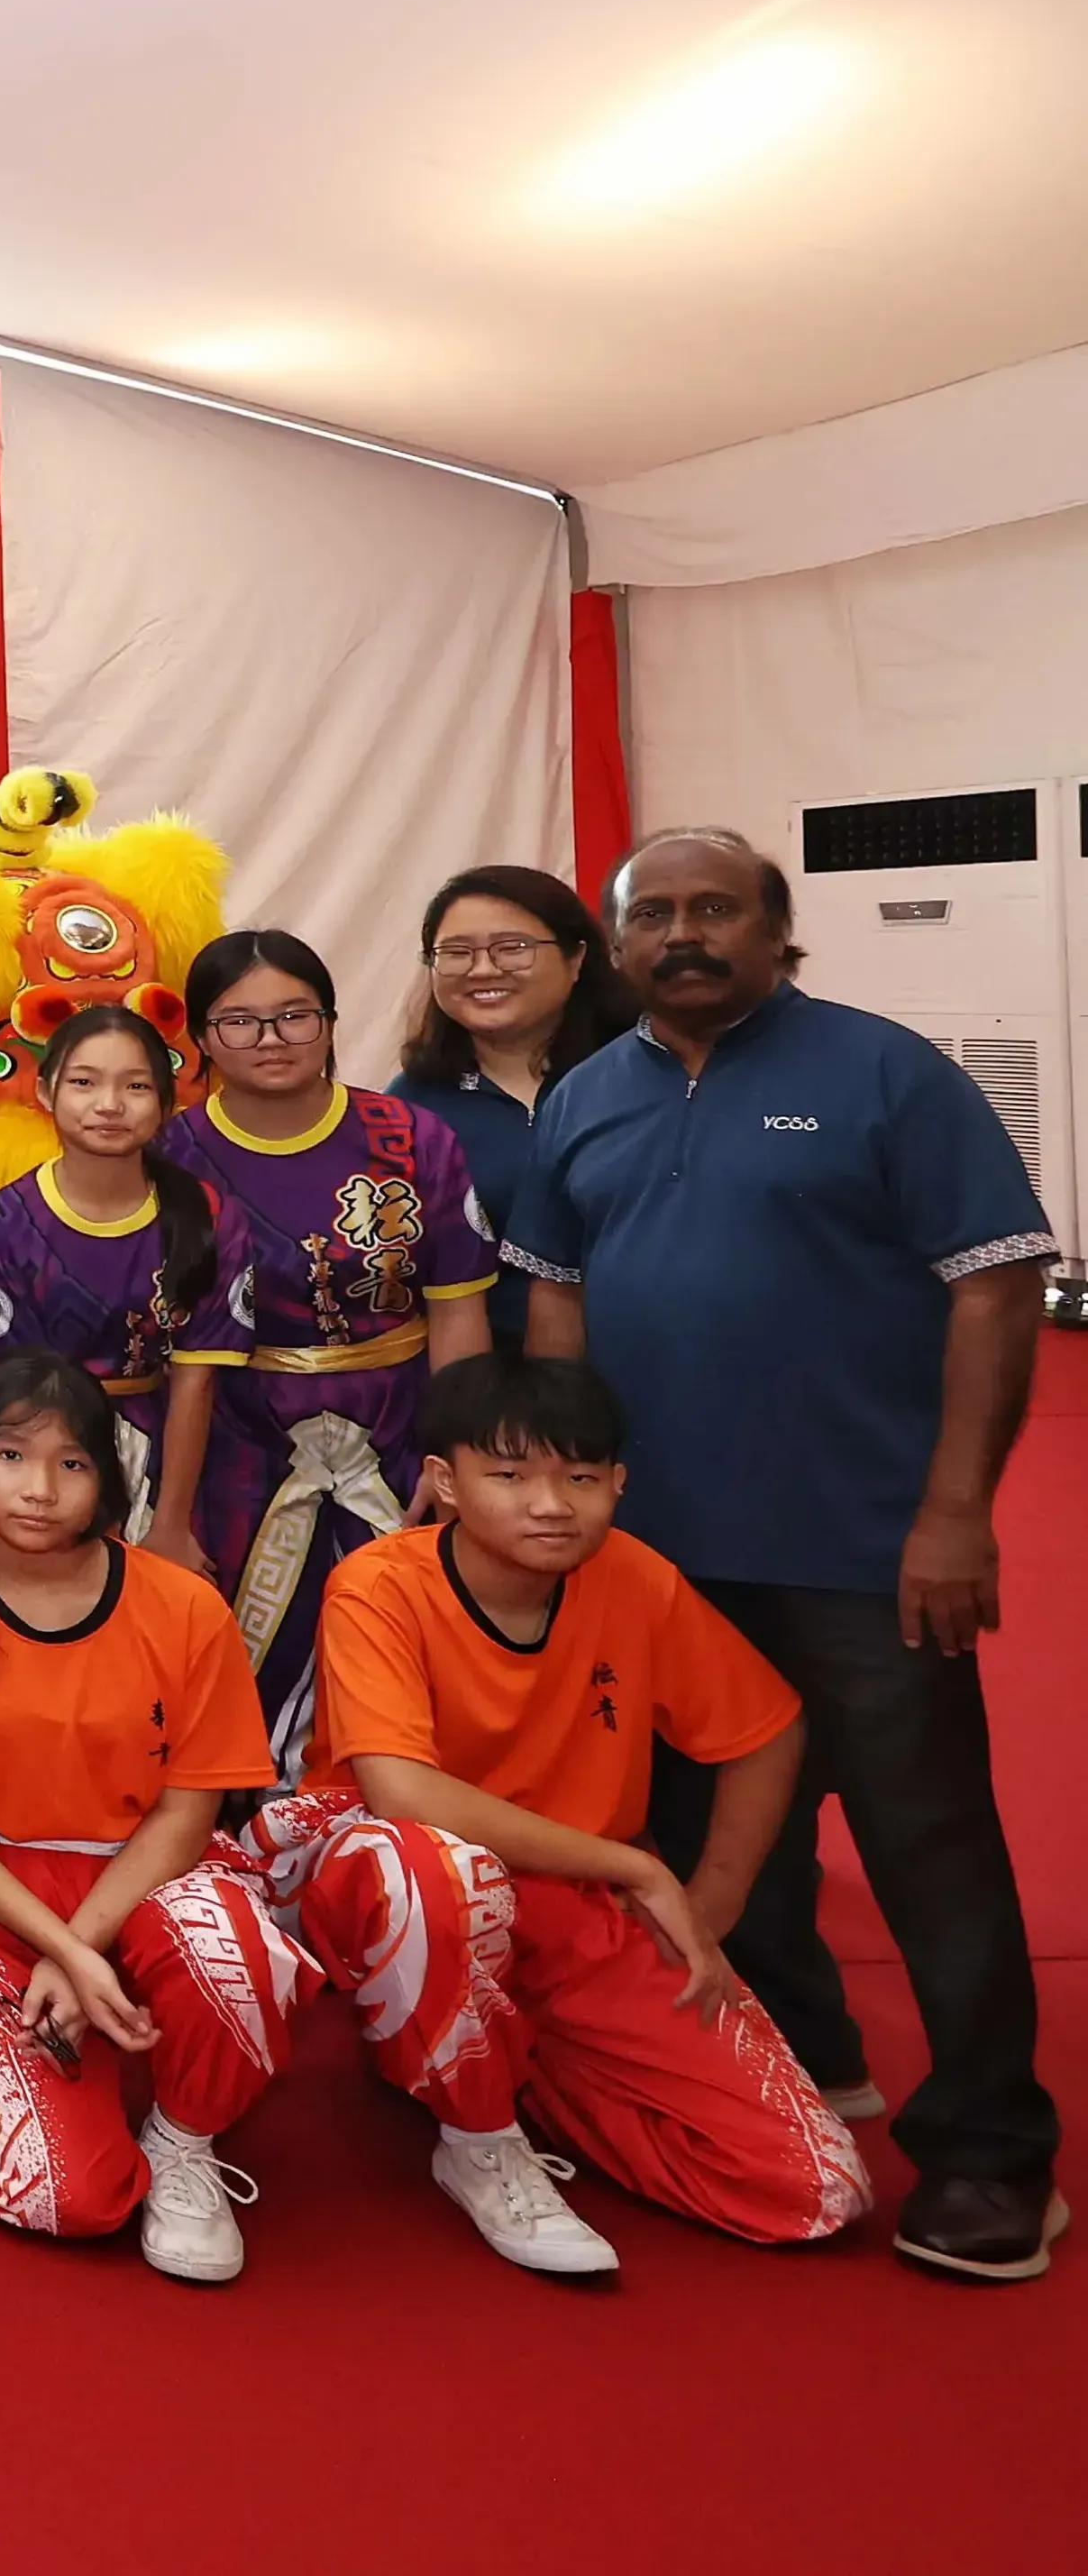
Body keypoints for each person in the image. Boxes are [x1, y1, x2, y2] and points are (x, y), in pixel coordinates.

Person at [506, 824, 1060, 2281]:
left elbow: (997, 1294)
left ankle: (994, 2149)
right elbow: (552, 1303)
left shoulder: (884, 1073)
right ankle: (806, 2062)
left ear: (775, 928)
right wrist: (572, 1504)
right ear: (614, 947)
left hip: (867, 1551)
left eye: (715, 908)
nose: (684, 933)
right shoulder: (585, 1094)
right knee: (699, 1840)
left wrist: (953, 1508)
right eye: (654, 914)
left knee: (924, 1840)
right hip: (663, 1557)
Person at [265, 1354, 865, 2277]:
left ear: (618, 1483)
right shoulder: (380, 1583)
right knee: (437, 1873)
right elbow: (403, 1792)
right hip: (382, 1867)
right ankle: (477, 2134)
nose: (551, 1503)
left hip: (573, 1890)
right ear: (445, 1482)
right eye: (510, 1474)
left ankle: (515, 2059)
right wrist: (640, 1866)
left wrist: (709, 1905)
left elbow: (767, 1730)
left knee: (815, 2189)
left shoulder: (634, 1577)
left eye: (580, 1476)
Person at [0, 1352, 306, 2284]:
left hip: (148, 1867)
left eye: (72, 1463)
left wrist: (76, 1948)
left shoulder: (183, 1606)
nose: (39, 1488)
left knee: (249, 1963)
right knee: (69, 2196)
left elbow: (190, 1811)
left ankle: (184, 2134)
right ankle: (67, 2059)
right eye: (10, 1455)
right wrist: (56, 1940)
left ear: (111, 1475)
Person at [161, 929, 495, 1775]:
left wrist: (454, 1453)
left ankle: (401, 1829)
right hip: (239, 1433)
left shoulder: (412, 1138)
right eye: (240, 1022)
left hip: (399, 1418)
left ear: (332, 1021)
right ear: (200, 1038)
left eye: (293, 1016)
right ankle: (254, 1822)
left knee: (416, 1626)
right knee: (237, 1635)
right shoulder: (169, 1156)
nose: (270, 1040)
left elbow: (458, 1313)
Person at [0, 1005, 249, 1562]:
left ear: (168, 1100)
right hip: (36, 1459)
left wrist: (170, 1522)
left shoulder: (209, 1216)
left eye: (136, 1085)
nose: (109, 1105)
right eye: (84, 1082)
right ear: (45, 1092)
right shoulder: (3, 1222)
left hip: (175, 1455)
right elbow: (6, 1386)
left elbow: (197, 1382)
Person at [389, 863, 633, 1218]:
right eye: (456, 952)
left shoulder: (640, 1072)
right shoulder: (409, 1108)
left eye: (512, 947)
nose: (484, 970)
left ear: (576, 958)